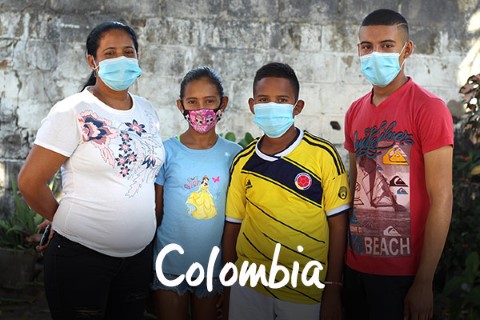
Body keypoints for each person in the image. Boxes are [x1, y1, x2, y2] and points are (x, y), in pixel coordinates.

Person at [17, 21, 165, 319]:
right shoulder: (72, 110)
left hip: (137, 259)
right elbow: (30, 182)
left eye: (128, 52)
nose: (121, 60)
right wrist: (61, 217)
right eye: (110, 53)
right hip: (81, 257)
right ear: (92, 61)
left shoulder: (147, 110)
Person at [343, 9, 454, 320]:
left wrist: (424, 281)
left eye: (387, 45)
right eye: (367, 46)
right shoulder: (354, 111)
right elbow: (354, 188)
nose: (375, 54)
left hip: (403, 275)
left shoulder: (429, 109)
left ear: (407, 50)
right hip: (355, 267)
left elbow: (442, 198)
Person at [222, 62, 351, 320]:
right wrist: (227, 288)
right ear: (252, 105)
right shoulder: (242, 161)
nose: (271, 107)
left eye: (281, 100)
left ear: (297, 106)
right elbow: (232, 226)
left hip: (305, 288)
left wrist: (334, 288)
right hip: (248, 287)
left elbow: (338, 226)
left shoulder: (323, 155)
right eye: (263, 99)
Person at [151, 66, 242, 320]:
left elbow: (236, 218)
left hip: (213, 268)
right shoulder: (166, 152)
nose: (201, 109)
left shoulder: (234, 154)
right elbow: (155, 212)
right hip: (168, 266)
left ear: (222, 103)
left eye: (209, 101)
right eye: (192, 102)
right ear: (181, 106)